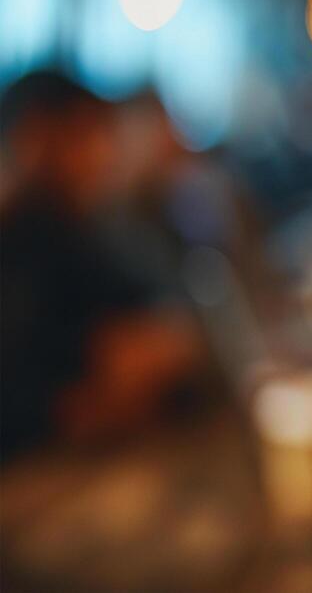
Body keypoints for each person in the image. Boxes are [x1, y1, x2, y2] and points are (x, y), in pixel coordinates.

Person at [0, 72, 200, 459]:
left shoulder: (83, 226)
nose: (102, 152)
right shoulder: (25, 239)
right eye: (84, 134)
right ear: (36, 139)